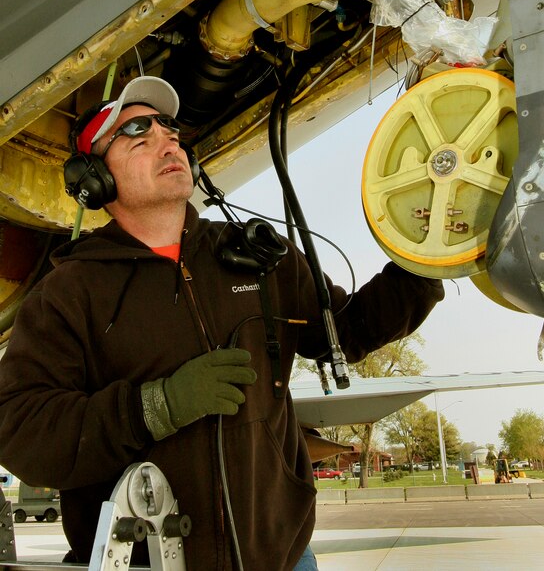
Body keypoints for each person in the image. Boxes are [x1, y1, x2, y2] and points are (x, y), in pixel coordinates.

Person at [0, 75, 444, 570]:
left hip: (281, 555)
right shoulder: (68, 291)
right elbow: (20, 431)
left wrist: (425, 256)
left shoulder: (255, 255)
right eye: (136, 133)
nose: (165, 139)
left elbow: (349, 329)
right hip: (150, 563)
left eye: (169, 129)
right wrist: (156, 407)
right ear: (95, 180)